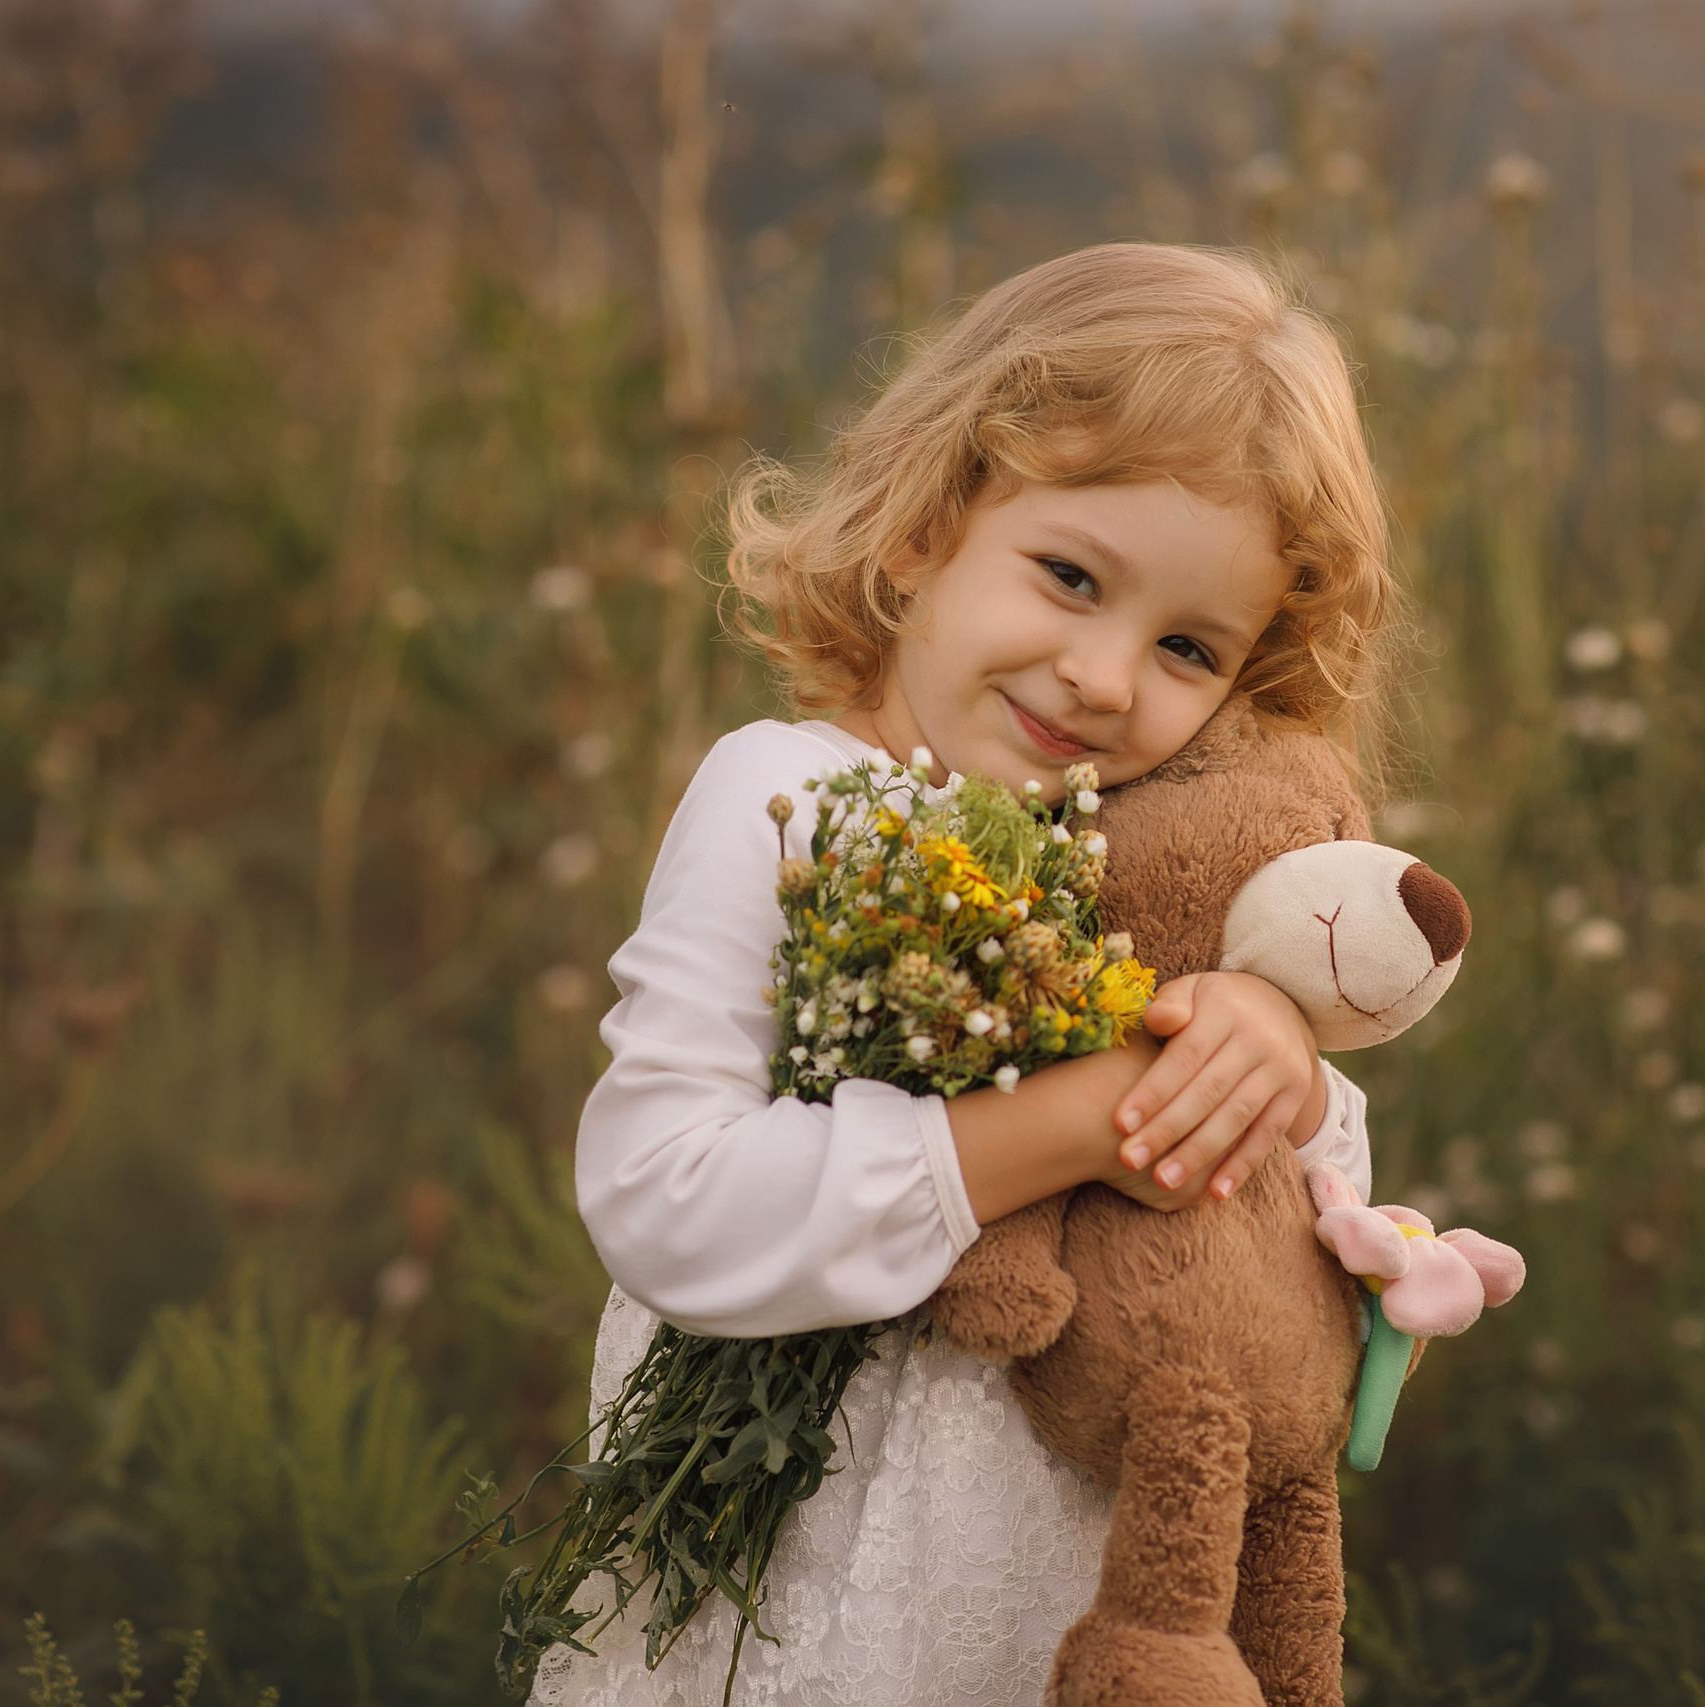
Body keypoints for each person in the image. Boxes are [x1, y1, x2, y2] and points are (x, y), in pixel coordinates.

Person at [532, 242, 1398, 1707]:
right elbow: (663, 1199)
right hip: (791, 1618)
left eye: (1187, 646)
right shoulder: (790, 798)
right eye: (1069, 577)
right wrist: (1086, 1118)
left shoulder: (1163, 868)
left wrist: (1276, 1059)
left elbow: (1283, 1276)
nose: (1106, 678)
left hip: (1051, 1615)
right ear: (927, 528)